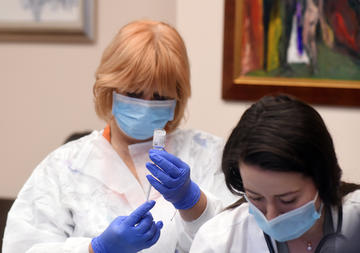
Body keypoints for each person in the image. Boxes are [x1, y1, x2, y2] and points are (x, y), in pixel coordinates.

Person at [2, 20, 237, 253]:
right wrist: (96, 249)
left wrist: (194, 203)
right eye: (133, 93)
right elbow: (23, 247)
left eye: (158, 97)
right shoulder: (66, 168)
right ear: (108, 89)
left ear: (177, 98)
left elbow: (243, 241)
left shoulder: (210, 156)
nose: (145, 106)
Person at [190, 94, 360, 253]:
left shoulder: (355, 218)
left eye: (287, 200)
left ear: (322, 179)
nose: (271, 217)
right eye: (256, 198)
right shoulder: (219, 242)